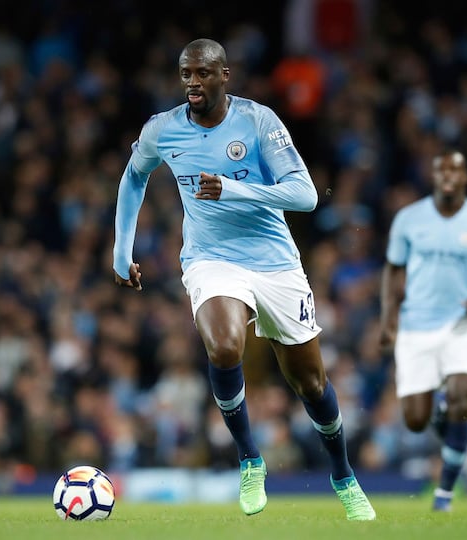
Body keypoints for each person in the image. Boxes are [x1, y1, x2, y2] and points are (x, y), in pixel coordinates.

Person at [112, 38, 375, 520]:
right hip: (211, 260)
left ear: (224, 75)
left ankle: (343, 475)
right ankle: (251, 459)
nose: (192, 82)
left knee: (310, 383)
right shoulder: (163, 130)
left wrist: (232, 189)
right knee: (224, 346)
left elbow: (305, 195)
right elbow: (134, 176)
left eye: (203, 74)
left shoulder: (258, 121)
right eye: (186, 73)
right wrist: (120, 249)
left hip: (274, 262)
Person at [379, 149, 467, 512]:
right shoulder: (409, 219)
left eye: (456, 169)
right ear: (434, 176)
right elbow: (392, 269)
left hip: (460, 326)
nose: (449, 175)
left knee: (463, 398)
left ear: (466, 176)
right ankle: (439, 416)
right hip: (416, 326)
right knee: (416, 421)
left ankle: (445, 494)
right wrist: (389, 318)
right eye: (442, 170)